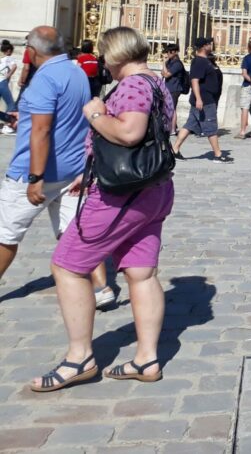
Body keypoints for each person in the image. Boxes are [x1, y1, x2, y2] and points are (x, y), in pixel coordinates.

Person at [31, 26, 176, 392]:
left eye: (104, 55)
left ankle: (80, 357)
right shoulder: (157, 83)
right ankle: (146, 358)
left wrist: (96, 114)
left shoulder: (132, 85)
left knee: (66, 265)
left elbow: (129, 133)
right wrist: (92, 169)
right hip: (152, 188)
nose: (103, 64)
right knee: (141, 272)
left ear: (115, 55)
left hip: (121, 196)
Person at [0, 27, 91, 289]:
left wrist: (35, 177)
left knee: (6, 234)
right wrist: (24, 118)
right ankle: (99, 287)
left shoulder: (44, 78)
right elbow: (64, 117)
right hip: (72, 169)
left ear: (32, 50)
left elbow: (42, 130)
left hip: (37, 170)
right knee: (73, 234)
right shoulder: (77, 72)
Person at [172, 38, 230, 164]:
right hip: (205, 100)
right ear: (204, 46)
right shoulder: (200, 62)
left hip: (203, 99)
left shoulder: (204, 61)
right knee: (211, 127)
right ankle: (218, 155)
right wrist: (198, 98)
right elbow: (194, 80)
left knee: (189, 125)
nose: (211, 45)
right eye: (209, 44)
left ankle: (174, 149)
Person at [160, 44, 186, 135]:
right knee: (168, 107)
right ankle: (171, 126)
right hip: (168, 87)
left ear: (175, 52)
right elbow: (163, 72)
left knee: (172, 108)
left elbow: (166, 74)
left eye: (169, 51)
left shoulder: (178, 64)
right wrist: (165, 65)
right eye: (167, 51)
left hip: (175, 89)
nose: (168, 53)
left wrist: (164, 63)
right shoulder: (169, 62)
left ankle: (173, 129)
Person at [0, 39, 17, 124]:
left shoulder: (1, 58)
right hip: (3, 82)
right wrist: (9, 75)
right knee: (11, 104)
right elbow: (14, 66)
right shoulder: (9, 58)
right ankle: (9, 122)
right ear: (9, 51)